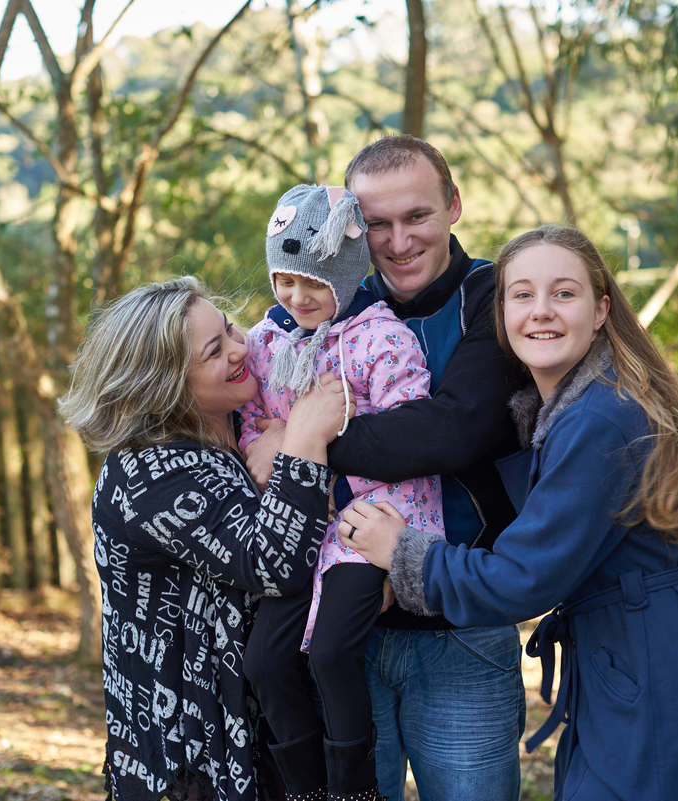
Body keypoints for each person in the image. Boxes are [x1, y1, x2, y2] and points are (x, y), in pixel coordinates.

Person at [339, 224, 678, 801]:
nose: (541, 310)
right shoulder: (581, 405)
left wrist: (403, 551)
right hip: (634, 661)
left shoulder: (600, 419)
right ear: (502, 315)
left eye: (564, 293)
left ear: (601, 310)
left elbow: (522, 577)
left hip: (659, 674)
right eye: (522, 295)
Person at [243, 136, 526, 801]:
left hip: (459, 623)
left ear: (454, 206)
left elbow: (451, 430)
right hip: (343, 622)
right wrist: (288, 434)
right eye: (377, 224)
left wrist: (300, 441)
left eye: (417, 216)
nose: (399, 241)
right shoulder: (328, 300)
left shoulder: (492, 297)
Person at [57, 276, 351, 801]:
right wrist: (305, 436)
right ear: (164, 386)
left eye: (230, 329)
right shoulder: (148, 473)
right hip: (192, 759)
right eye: (215, 351)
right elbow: (273, 564)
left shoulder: (237, 427)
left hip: (260, 731)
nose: (241, 347)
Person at [238, 184, 444, 801]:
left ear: (348, 274)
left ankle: (354, 788)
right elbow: (254, 432)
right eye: (285, 280)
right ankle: (304, 788)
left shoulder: (381, 338)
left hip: (370, 521)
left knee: (330, 652)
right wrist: (281, 444)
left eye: (314, 282)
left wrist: (325, 457)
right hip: (298, 524)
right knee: (265, 660)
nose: (297, 297)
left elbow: (409, 431)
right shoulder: (265, 341)